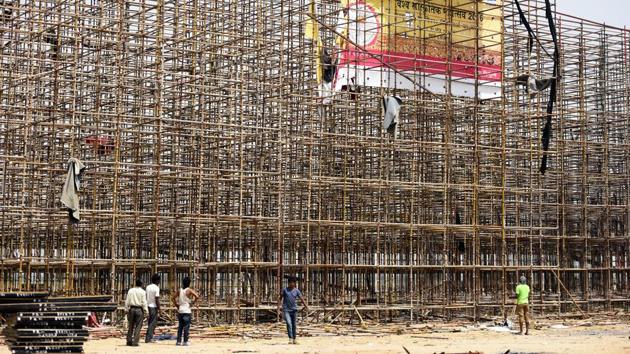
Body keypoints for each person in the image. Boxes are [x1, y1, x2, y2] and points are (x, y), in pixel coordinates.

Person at [277, 276, 308, 344]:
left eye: (293, 282)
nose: (291, 284)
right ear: (288, 283)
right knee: (289, 323)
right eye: (290, 282)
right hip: (286, 310)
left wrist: (306, 306)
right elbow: (280, 298)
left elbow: (301, 298)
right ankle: (290, 338)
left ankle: (294, 339)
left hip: (294, 310)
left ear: (295, 283)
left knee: (294, 325)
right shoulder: (285, 290)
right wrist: (278, 307)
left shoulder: (296, 290)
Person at [171, 276, 199, 346]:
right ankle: (185, 341)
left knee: (180, 327)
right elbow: (197, 296)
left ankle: (178, 341)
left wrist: (177, 305)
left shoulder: (179, 290)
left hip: (180, 310)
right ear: (189, 283)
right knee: (186, 327)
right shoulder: (189, 290)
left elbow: (172, 298)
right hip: (187, 310)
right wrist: (192, 303)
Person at [125, 279, 148, 346]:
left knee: (131, 325)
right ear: (141, 284)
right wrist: (146, 311)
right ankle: (135, 342)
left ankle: (129, 341)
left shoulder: (130, 290)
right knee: (138, 326)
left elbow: (127, 301)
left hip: (131, 309)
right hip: (139, 310)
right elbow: (144, 302)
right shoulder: (143, 292)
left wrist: (126, 309)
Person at [145, 273, 161, 343]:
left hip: (148, 306)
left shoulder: (148, 287)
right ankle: (149, 338)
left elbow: (146, 296)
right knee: (153, 323)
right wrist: (159, 308)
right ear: (157, 280)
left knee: (150, 322)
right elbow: (157, 299)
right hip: (153, 307)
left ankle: (149, 337)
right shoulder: (156, 288)